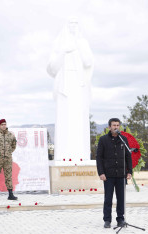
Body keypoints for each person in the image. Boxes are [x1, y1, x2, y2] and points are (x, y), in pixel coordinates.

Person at [47, 18, 94, 161]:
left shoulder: (83, 43)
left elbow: (88, 62)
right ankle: (64, 156)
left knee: (79, 120)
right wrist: (63, 52)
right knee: (65, 119)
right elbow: (51, 68)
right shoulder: (59, 44)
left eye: (76, 23)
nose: (73, 26)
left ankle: (81, 156)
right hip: (64, 86)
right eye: (70, 23)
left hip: (79, 86)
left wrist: (79, 48)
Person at [96, 118, 132, 228]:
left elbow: (128, 156)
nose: (116, 127)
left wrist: (129, 171)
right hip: (108, 175)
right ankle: (107, 220)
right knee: (108, 198)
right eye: (114, 125)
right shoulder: (103, 140)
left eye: (117, 125)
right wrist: (101, 173)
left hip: (121, 175)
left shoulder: (123, 139)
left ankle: (120, 219)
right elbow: (99, 158)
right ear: (109, 127)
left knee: (121, 198)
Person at [0, 119, 18, 201]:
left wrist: (8, 152)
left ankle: (10, 194)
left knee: (8, 176)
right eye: (2, 124)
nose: (4, 126)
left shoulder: (11, 135)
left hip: (7, 159)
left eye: (5, 124)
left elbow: (14, 145)